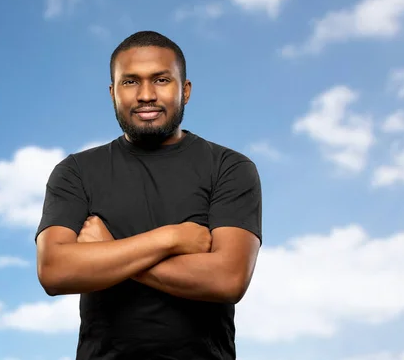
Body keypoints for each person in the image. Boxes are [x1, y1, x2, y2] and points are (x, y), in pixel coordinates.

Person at [35, 30, 262, 360]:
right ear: (113, 92)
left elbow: (228, 279)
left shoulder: (229, 167)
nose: (145, 95)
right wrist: (169, 239)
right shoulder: (76, 172)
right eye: (130, 82)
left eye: (161, 80)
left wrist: (109, 252)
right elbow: (54, 272)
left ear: (185, 90)